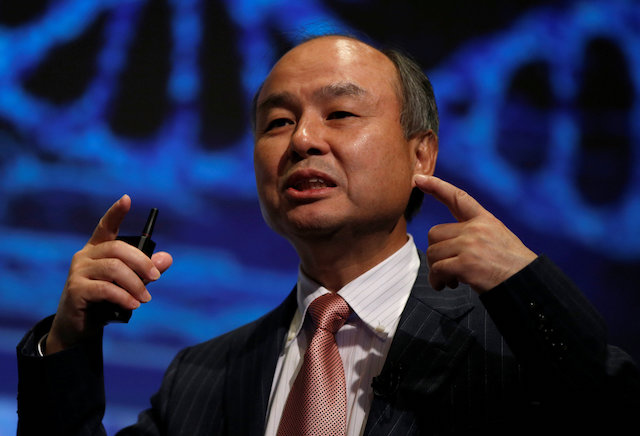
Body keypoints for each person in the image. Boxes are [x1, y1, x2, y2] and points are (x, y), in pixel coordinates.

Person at [17, 35, 639, 435]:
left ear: (421, 154)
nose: (303, 140)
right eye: (277, 122)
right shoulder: (201, 377)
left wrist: (528, 286)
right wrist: (68, 339)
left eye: (339, 113)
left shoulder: (510, 344)